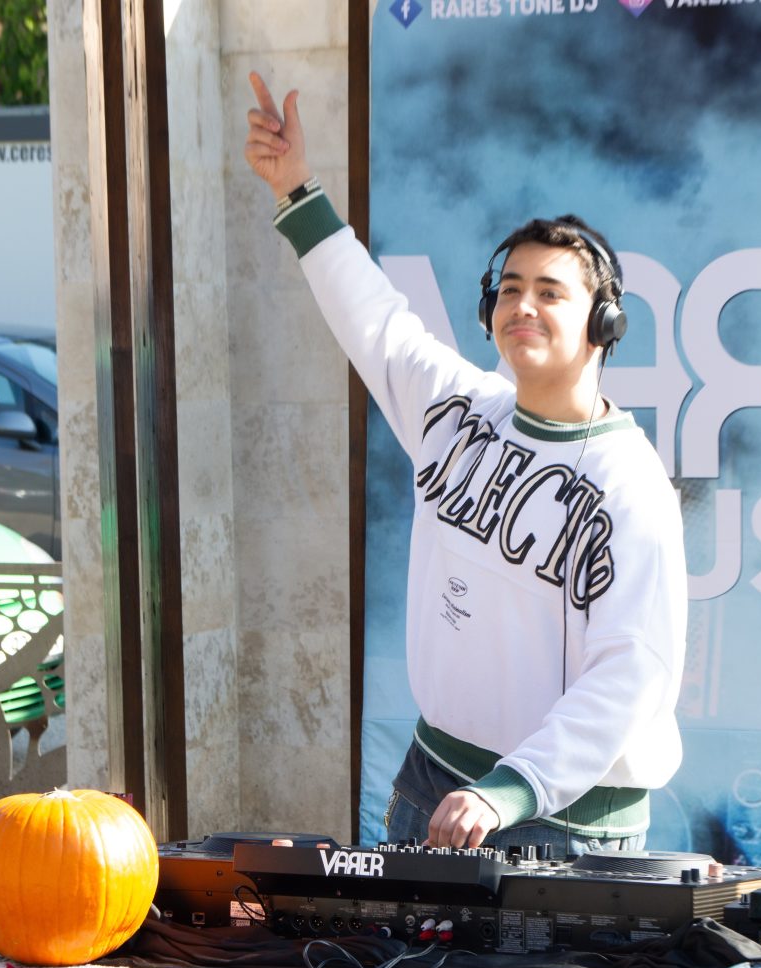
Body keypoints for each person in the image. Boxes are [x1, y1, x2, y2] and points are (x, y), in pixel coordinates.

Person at [243, 73, 687, 853]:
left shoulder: (630, 482)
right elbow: (376, 322)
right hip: (433, 781)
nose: (523, 306)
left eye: (550, 292)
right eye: (510, 289)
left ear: (604, 322)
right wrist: (295, 189)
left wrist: (511, 788)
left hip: (560, 824)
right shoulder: (458, 409)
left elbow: (632, 671)